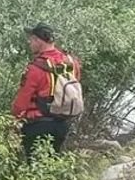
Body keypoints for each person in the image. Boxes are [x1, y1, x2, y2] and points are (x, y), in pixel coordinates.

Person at [12, 24, 83, 162]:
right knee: (51, 165)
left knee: (35, 168)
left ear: (38, 41)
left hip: (37, 126)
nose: (30, 43)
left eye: (31, 40)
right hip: (62, 125)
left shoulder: (35, 68)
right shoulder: (71, 62)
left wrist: (12, 120)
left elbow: (21, 102)